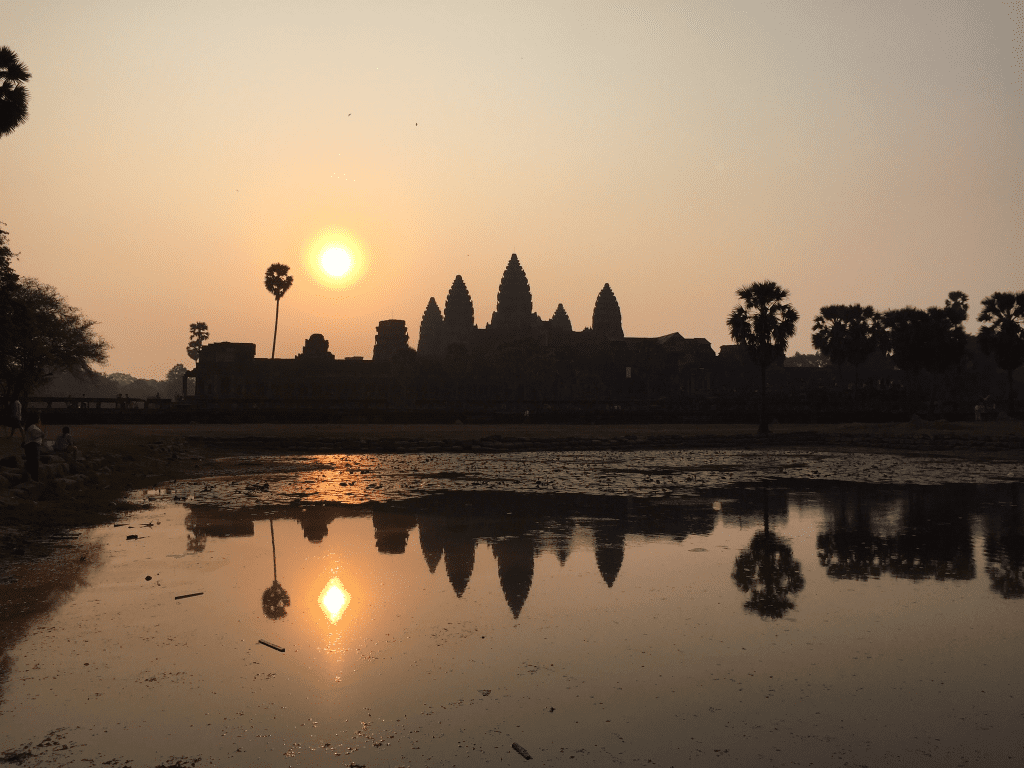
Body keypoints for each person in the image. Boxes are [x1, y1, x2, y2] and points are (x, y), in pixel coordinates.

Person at [23, 411, 44, 482]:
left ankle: (31, 478)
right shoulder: (33, 427)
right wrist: (42, 433)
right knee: (34, 464)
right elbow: (36, 435)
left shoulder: (31, 427)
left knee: (31, 463)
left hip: (31, 446)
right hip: (33, 447)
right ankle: (35, 479)